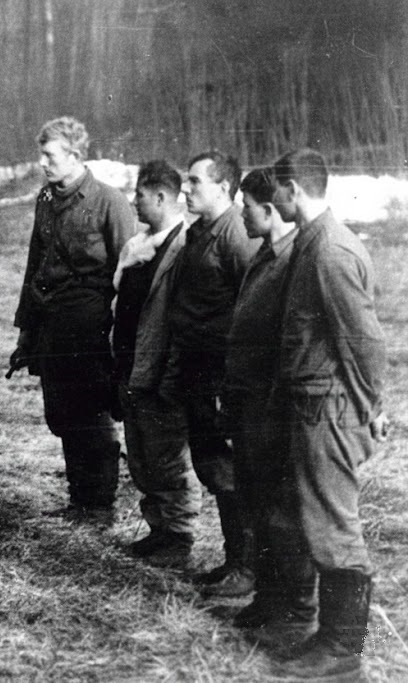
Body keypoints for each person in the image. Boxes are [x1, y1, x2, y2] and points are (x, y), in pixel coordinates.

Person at [267, 149, 387, 681]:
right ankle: (330, 637)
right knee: (314, 521)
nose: (273, 201)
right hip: (309, 402)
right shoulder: (311, 243)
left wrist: (367, 411)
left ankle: (346, 649)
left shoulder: (330, 250)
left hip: (329, 409)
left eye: (277, 190)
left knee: (335, 525)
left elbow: (364, 342)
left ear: (293, 190)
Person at [10, 116, 133, 518]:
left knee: (91, 412)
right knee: (61, 412)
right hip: (51, 322)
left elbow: (128, 269)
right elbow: (35, 264)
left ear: (76, 156)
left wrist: (121, 335)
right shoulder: (46, 199)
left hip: (90, 326)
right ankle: (80, 498)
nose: (43, 163)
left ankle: (99, 503)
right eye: (41, 154)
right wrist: (26, 331)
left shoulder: (108, 201)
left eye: (50, 155)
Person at [222, 168, 314, 647]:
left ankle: (298, 610)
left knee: (282, 509)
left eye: (247, 206)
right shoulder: (264, 255)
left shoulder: (294, 260)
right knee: (256, 501)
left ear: (270, 210)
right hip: (247, 401)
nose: (241, 213)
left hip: (272, 405)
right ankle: (268, 596)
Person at [166, 151, 260, 596]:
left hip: (221, 373)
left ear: (223, 188)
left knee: (227, 469)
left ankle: (247, 568)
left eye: (195, 182)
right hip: (196, 369)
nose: (185, 189)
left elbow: (252, 306)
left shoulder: (236, 234)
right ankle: (234, 562)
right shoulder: (200, 231)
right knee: (211, 466)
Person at [112, 160, 200, 565]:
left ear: (161, 196)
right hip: (133, 366)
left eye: (140, 196)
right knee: (143, 455)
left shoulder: (185, 246)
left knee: (168, 458)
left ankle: (179, 538)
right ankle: (158, 530)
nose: (134, 202)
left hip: (162, 370)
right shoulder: (140, 244)